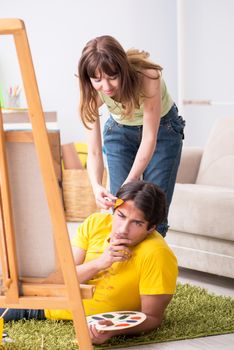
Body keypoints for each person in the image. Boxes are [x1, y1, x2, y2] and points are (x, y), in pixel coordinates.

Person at [0, 181, 178, 345]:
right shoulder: (96, 224)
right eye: (121, 216)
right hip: (41, 295)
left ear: (151, 228)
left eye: (137, 223)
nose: (123, 229)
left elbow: (152, 317)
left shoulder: (157, 254)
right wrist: (101, 262)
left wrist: (112, 330)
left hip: (42, 310)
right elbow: (60, 279)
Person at [78, 35, 185, 237]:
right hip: (119, 130)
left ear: (123, 69)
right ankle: (121, 265)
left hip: (162, 130)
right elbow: (93, 152)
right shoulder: (90, 92)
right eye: (97, 80)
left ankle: (150, 266)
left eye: (112, 77)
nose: (106, 87)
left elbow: (149, 137)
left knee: (153, 208)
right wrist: (96, 186)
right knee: (120, 206)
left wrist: (132, 179)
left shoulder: (147, 76)